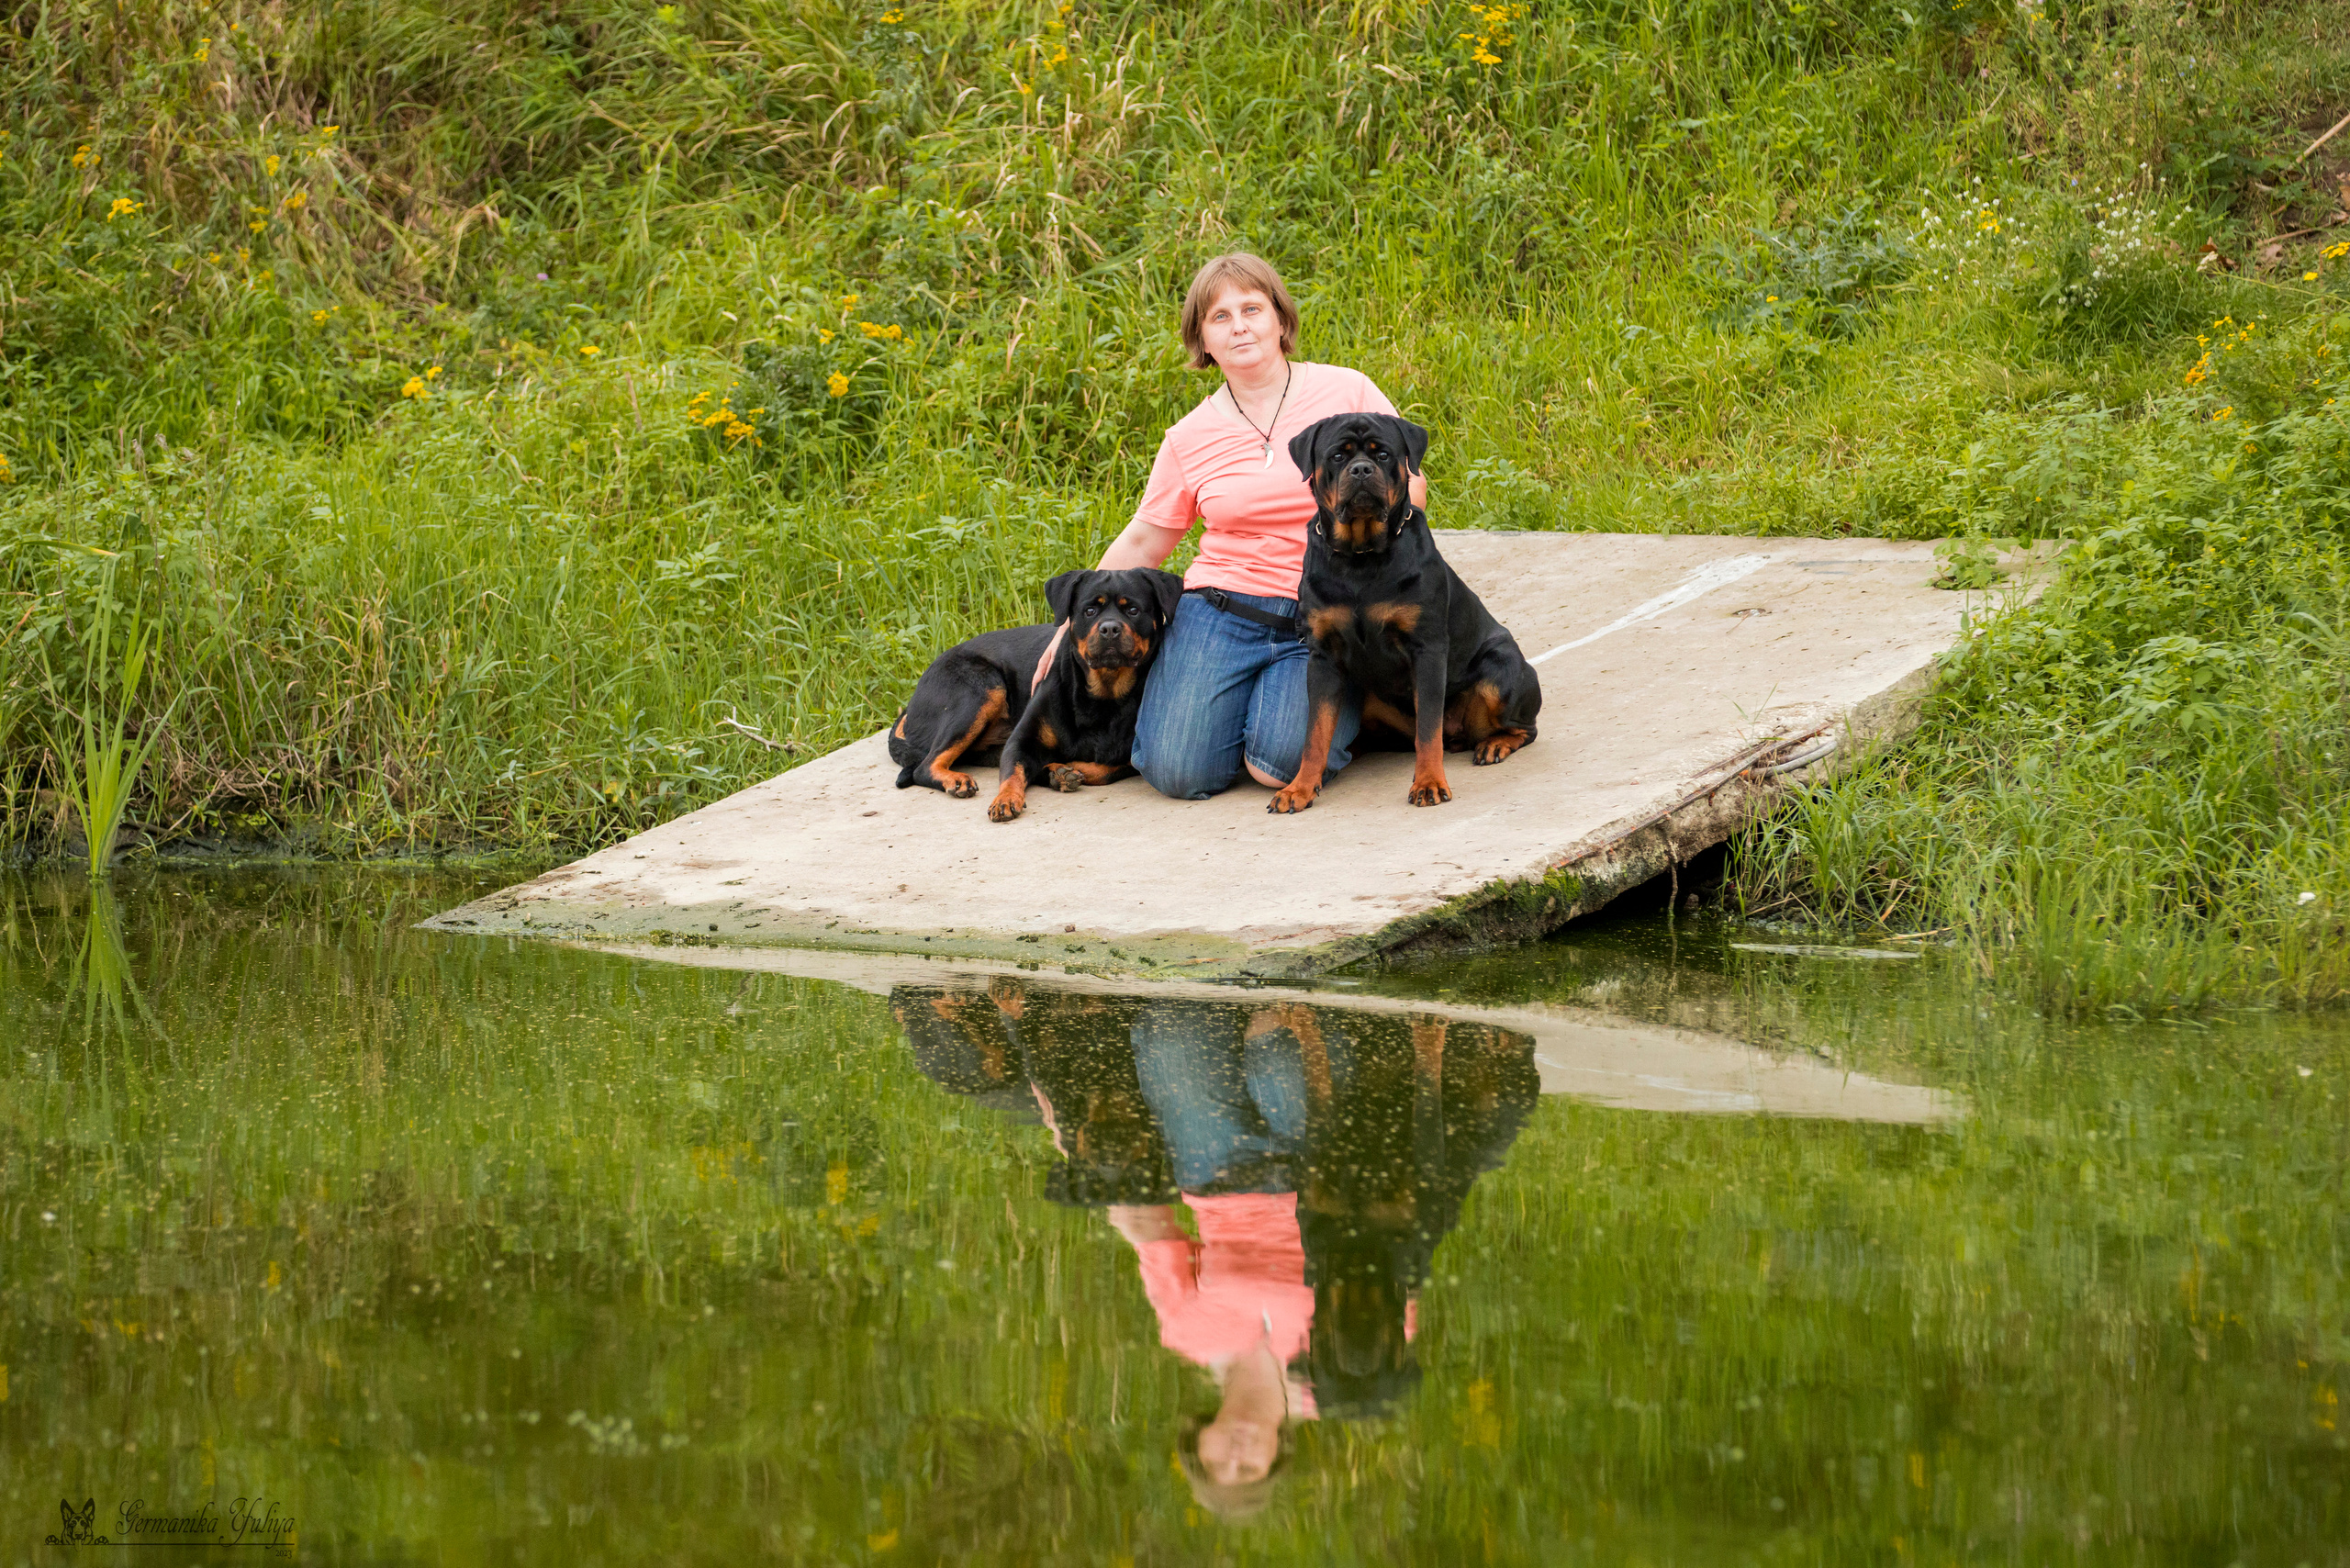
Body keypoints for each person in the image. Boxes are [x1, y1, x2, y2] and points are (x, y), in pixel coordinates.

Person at [1043, 253, 1427, 800]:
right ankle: (1254, 699)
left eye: (1252, 308)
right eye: (1219, 316)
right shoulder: (1188, 436)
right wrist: (1063, 632)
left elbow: (1412, 484)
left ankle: (1336, 709)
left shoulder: (1348, 392)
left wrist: (1380, 573)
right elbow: (1145, 538)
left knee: (1277, 766)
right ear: (1202, 338)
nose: (1239, 325)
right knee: (1178, 774)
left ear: (1280, 319)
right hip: (1219, 612)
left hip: (1323, 611)